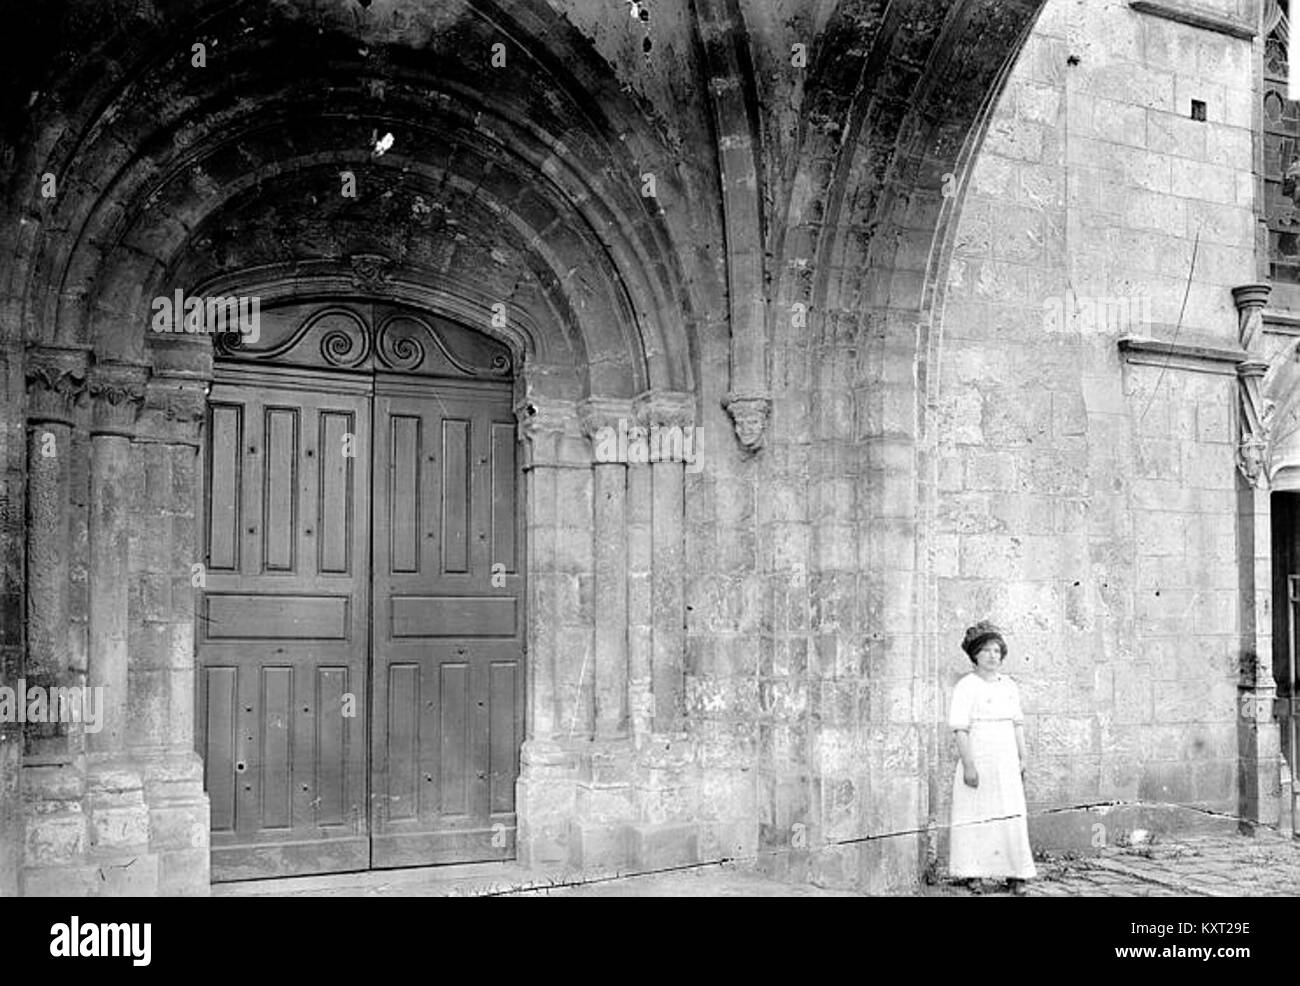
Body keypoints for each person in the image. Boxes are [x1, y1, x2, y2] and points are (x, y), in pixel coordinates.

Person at [948, 620, 1036, 895]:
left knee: (1009, 813)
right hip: (980, 757)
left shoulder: (1008, 685)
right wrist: (969, 765)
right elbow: (961, 729)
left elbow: (1017, 724)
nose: (992, 656)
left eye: (997, 651)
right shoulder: (966, 686)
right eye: (986, 651)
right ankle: (972, 871)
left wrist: (1023, 757)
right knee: (976, 813)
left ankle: (1016, 873)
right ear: (975, 655)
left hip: (1006, 758)